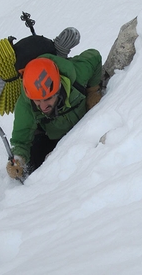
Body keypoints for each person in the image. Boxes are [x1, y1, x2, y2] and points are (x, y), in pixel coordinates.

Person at [6, 49, 103, 180]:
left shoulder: (76, 75)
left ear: (58, 88)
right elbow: (21, 140)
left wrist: (93, 90)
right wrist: (19, 159)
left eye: (48, 99)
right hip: (50, 138)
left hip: (85, 129)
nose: (43, 106)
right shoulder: (26, 105)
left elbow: (94, 56)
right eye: (37, 101)